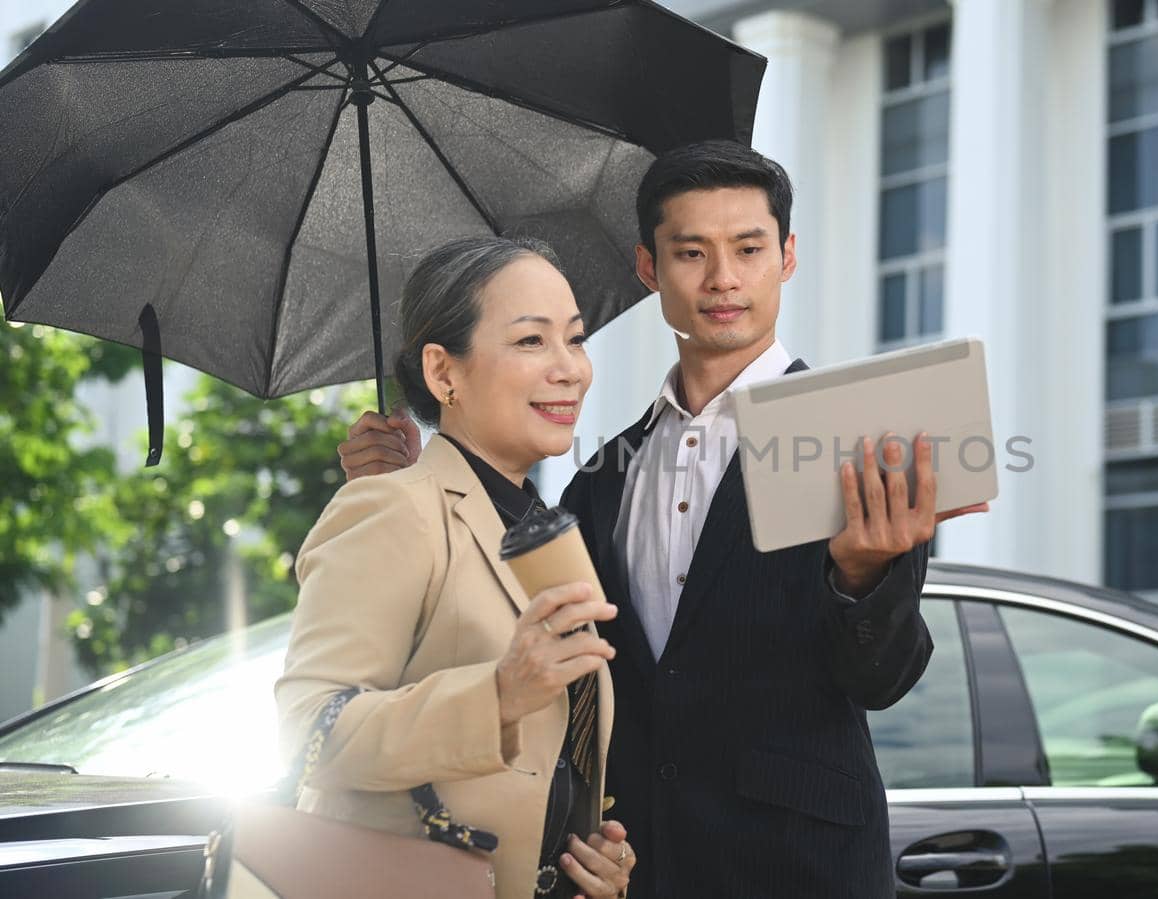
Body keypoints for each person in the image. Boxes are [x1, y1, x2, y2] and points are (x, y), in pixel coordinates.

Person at [337, 142, 988, 897]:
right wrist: (410, 481)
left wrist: (864, 575)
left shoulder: (856, 439)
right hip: (632, 864)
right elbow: (503, 624)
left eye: (749, 249)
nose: (723, 279)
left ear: (788, 256)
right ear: (649, 269)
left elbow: (884, 678)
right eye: (692, 252)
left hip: (800, 866)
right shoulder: (599, 477)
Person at [277, 236, 635, 899]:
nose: (571, 369)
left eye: (575, 339)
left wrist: (583, 860)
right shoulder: (394, 509)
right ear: (444, 373)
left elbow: (549, 765)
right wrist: (497, 694)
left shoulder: (542, 532)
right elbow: (308, 730)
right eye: (532, 341)